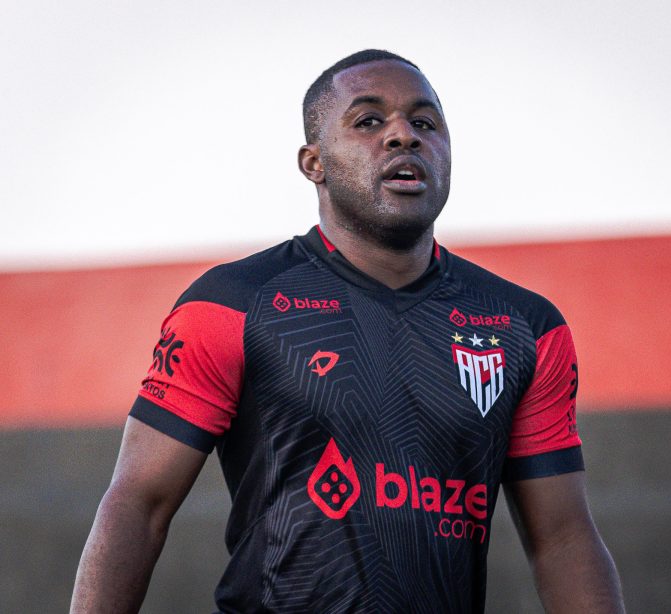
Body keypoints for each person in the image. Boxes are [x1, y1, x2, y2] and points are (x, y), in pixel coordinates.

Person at [71, 49, 625, 613]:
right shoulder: (232, 305)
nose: (404, 136)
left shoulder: (524, 327)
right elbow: (139, 506)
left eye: (425, 122)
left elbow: (563, 538)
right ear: (314, 163)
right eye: (368, 121)